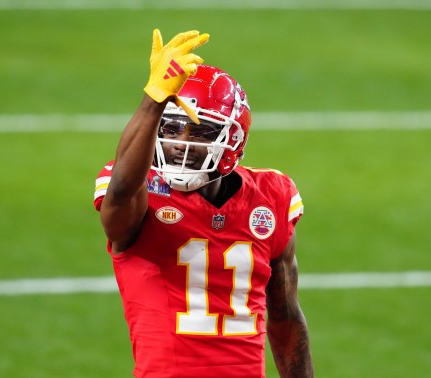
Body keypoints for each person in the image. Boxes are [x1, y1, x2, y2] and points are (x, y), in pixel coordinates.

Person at [93, 29, 314, 378]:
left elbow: (286, 319)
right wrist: (153, 100)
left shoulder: (272, 196)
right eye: (172, 127)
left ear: (234, 138)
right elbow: (120, 195)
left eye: (199, 131)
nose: (181, 142)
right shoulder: (141, 193)